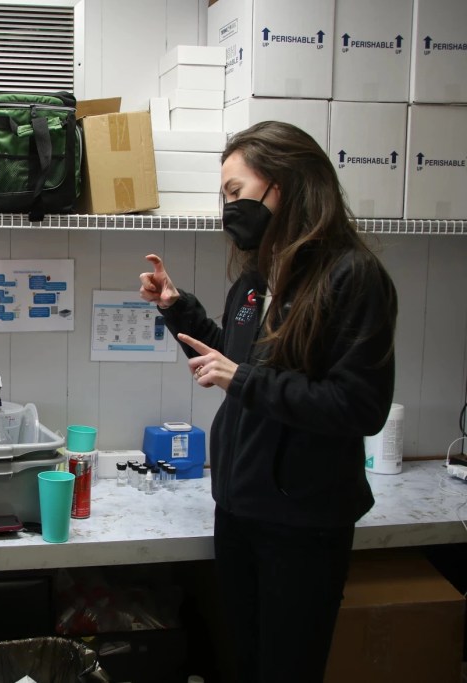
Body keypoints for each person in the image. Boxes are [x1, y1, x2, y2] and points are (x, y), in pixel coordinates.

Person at [138, 121, 397, 683]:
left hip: (302, 524)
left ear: (284, 184)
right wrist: (178, 309)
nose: (228, 207)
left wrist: (242, 380)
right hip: (239, 507)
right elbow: (240, 360)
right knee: (241, 663)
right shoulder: (256, 282)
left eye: (236, 191)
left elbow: (359, 405)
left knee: (285, 671)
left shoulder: (352, 278)